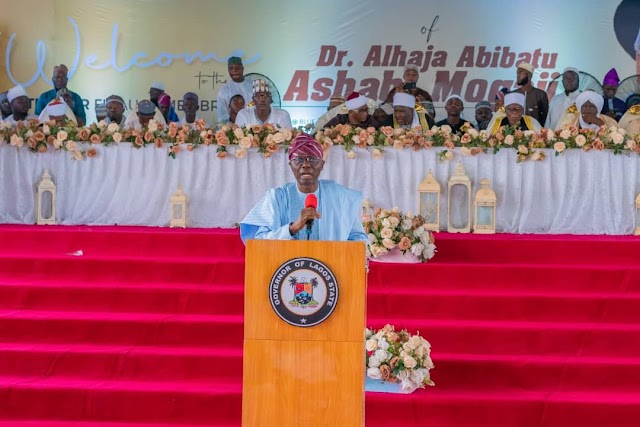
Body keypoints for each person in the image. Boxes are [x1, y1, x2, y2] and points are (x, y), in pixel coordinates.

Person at [240, 133, 367, 243]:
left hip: (330, 269)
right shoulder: (277, 198)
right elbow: (259, 241)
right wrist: (292, 228)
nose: (306, 165)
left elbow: (359, 238)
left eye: (312, 159)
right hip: (286, 268)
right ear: (291, 165)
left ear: (322, 165)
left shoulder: (341, 197)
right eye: (299, 159)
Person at [216, 56, 253, 123]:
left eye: (237, 67)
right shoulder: (224, 90)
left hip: (254, 127)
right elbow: (222, 115)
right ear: (228, 70)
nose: (234, 70)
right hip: (233, 129)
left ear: (243, 68)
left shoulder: (253, 86)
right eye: (231, 68)